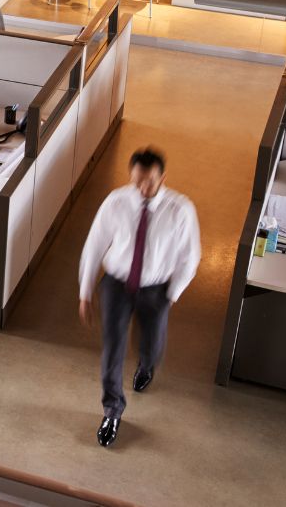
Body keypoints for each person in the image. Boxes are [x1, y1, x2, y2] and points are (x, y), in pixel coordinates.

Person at [78, 148, 200, 448]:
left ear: (163, 178)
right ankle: (112, 410)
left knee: (151, 345)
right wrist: (85, 291)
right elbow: (94, 245)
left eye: (149, 182)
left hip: (156, 289)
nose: (143, 188)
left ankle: (146, 365)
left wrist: (172, 295)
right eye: (137, 181)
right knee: (113, 347)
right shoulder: (116, 202)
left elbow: (191, 256)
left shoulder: (180, 209)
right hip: (117, 284)